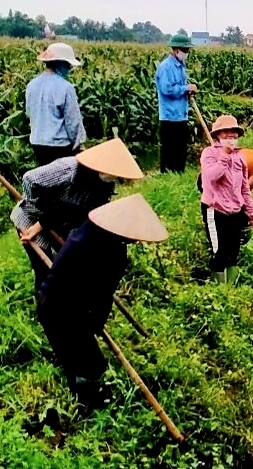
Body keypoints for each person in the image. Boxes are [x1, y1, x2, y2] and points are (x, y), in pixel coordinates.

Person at [37, 193, 168, 408]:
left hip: (56, 299)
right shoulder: (113, 250)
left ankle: (84, 400)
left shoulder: (91, 227)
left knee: (77, 357)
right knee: (89, 364)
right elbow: (102, 292)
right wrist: (95, 322)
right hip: (60, 306)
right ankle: (88, 407)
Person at [12, 138, 144, 294]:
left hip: (60, 221)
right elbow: (29, 179)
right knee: (44, 268)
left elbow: (88, 214)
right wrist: (42, 210)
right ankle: (43, 308)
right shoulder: (69, 168)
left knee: (65, 265)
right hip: (31, 217)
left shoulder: (105, 184)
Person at [200, 115, 253, 284]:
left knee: (233, 252)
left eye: (233, 133)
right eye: (226, 133)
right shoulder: (209, 153)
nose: (230, 137)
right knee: (220, 252)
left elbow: (244, 188)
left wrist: (252, 212)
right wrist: (225, 155)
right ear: (218, 135)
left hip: (235, 210)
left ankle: (231, 289)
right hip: (215, 209)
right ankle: (220, 292)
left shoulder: (240, 156)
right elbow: (212, 176)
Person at [26, 42, 86, 166]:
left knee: (46, 179)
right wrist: (78, 145)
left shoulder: (31, 85)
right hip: (59, 146)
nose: (69, 69)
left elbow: (30, 113)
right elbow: (73, 122)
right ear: (60, 63)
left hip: (37, 143)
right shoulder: (66, 87)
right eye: (68, 65)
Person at [155, 33, 198, 173]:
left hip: (181, 115)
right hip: (169, 116)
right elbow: (167, 89)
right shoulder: (165, 67)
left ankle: (180, 175)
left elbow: (180, 86)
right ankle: (167, 177)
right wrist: (186, 88)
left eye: (187, 50)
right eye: (184, 50)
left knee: (180, 149)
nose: (186, 53)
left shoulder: (181, 66)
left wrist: (188, 90)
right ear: (175, 50)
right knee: (169, 150)